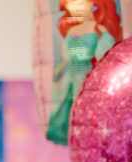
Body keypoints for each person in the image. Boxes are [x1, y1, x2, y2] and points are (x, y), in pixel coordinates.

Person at [45, 0, 121, 144]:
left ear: (93, 5)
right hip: (72, 78)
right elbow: (67, 57)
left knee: (87, 108)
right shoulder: (73, 31)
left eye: (80, 4)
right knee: (73, 109)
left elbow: (104, 58)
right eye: (71, 5)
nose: (75, 9)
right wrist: (58, 72)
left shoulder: (99, 31)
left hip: (88, 76)